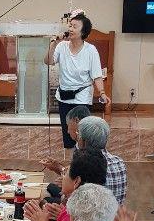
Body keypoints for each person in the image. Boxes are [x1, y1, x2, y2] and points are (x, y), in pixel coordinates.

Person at [44, 13, 109, 149]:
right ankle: (71, 166)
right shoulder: (62, 46)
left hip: (82, 98)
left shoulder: (91, 50)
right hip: (64, 97)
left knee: (82, 135)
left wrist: (102, 93)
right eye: (70, 26)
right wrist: (53, 44)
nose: (71, 29)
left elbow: (97, 75)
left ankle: (83, 163)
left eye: (75, 26)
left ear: (83, 31)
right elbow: (48, 61)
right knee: (68, 135)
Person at [77, 116, 127, 204]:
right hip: (117, 216)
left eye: (79, 135)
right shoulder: (119, 162)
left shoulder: (85, 165)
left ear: (83, 141)